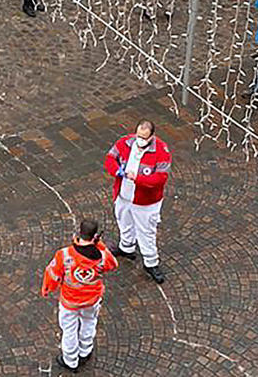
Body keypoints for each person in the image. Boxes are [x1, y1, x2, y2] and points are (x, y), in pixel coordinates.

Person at [41, 219, 118, 373]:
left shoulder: (64, 254)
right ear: (95, 236)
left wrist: (47, 288)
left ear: (79, 232)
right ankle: (85, 351)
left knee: (69, 329)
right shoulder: (101, 255)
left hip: (70, 301)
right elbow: (113, 265)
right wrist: (100, 245)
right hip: (92, 300)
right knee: (89, 322)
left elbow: (53, 274)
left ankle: (70, 360)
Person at [103, 120, 170, 284]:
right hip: (124, 195)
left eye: (144, 137)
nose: (140, 140)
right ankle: (127, 247)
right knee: (123, 220)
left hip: (146, 203)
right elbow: (110, 158)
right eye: (138, 135)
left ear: (152, 136)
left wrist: (138, 178)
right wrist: (115, 170)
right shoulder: (125, 142)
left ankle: (151, 263)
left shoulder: (162, 151)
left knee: (146, 231)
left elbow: (160, 178)